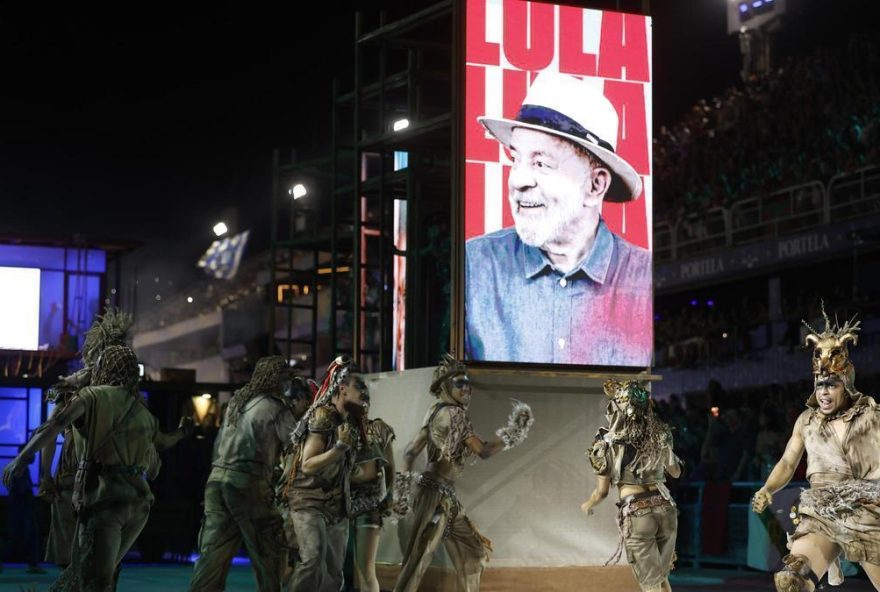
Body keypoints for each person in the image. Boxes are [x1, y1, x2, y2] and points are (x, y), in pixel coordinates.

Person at [465, 71, 652, 366]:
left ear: (595, 186)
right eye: (516, 159)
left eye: (541, 163)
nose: (519, 180)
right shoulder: (473, 266)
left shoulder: (647, 279)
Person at [2, 344, 162, 592]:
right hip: (139, 505)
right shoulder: (144, 413)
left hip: (105, 500)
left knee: (91, 579)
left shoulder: (92, 396)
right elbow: (153, 469)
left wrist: (21, 459)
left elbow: (54, 424)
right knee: (98, 574)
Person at [751, 310, 880, 591]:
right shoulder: (806, 421)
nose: (823, 392)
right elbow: (787, 462)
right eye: (819, 384)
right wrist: (767, 489)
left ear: (846, 384)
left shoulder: (871, 416)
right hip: (821, 510)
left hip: (866, 510)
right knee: (791, 581)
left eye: (831, 385)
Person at [393, 354, 534, 592]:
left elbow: (410, 452)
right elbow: (483, 451)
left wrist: (403, 489)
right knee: (418, 559)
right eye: (460, 382)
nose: (466, 387)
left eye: (467, 382)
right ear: (446, 386)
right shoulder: (455, 414)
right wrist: (514, 433)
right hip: (435, 496)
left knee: (472, 553)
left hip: (443, 495)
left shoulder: (434, 411)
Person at [189, 355, 298, 592]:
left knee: (212, 557)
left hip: (216, 483)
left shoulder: (236, 404)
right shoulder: (276, 408)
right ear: (275, 379)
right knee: (269, 550)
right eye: (284, 379)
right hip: (249, 483)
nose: (286, 385)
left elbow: (216, 447)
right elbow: (298, 446)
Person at [582, 379, 681, 592]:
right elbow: (676, 472)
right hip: (666, 508)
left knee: (651, 584)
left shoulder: (606, 442)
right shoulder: (659, 436)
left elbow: (602, 492)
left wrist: (588, 504)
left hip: (638, 514)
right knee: (660, 578)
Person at [281, 356, 369, 592]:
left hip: (337, 504)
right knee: (312, 559)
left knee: (334, 572)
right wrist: (339, 449)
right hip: (308, 500)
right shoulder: (323, 415)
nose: (365, 392)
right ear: (342, 388)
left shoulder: (351, 421)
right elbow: (307, 464)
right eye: (359, 386)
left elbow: (346, 469)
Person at [350, 393, 396, 592]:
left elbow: (390, 467)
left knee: (366, 570)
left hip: (369, 505)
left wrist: (390, 494)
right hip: (343, 504)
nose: (364, 405)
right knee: (355, 571)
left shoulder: (378, 429)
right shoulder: (342, 430)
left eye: (366, 400)